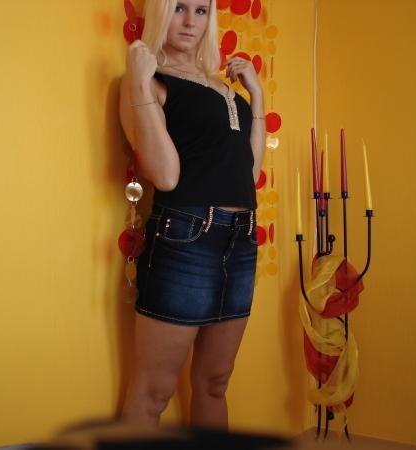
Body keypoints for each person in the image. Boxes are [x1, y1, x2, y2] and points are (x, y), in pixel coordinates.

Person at [118, 0, 266, 430]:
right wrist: (139, 82)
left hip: (241, 239)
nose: (189, 21)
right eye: (179, 7)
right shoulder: (150, 80)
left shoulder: (223, 86)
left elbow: (249, 174)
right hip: (186, 239)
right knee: (154, 391)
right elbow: (165, 175)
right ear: (161, 13)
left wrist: (257, 96)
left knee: (215, 382)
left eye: (201, 11)